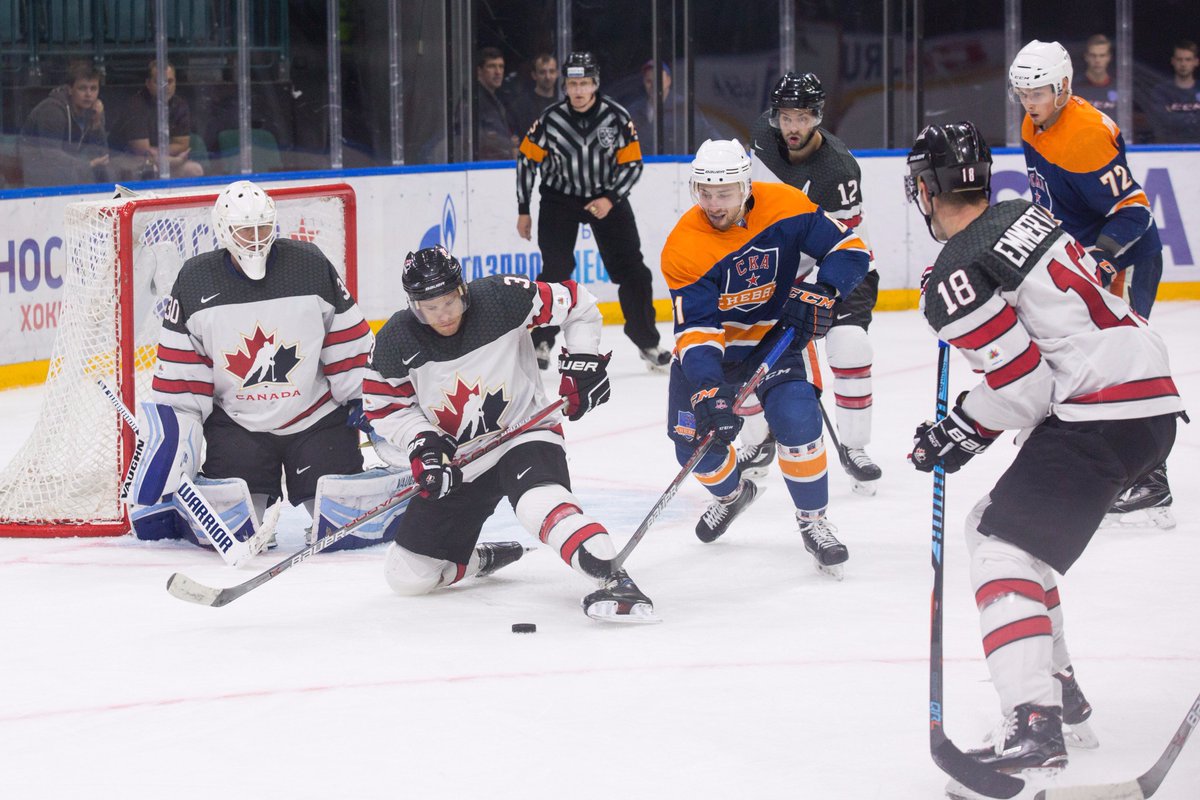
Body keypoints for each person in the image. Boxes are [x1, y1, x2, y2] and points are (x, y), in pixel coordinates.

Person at [904, 120, 1183, 792]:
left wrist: (959, 428)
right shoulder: (1023, 214)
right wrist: (969, 426)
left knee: (999, 549)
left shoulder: (956, 270)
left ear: (926, 189)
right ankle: (1060, 690)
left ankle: (1034, 726)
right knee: (995, 528)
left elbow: (1023, 391)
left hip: (1101, 412)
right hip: (1146, 400)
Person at [361, 246, 657, 623]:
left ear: (462, 289)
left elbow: (577, 302)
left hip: (524, 432)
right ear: (413, 305)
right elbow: (385, 407)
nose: (444, 315)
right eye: (430, 308)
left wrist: (583, 362)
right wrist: (424, 444)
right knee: (407, 577)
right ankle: (481, 558)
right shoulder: (395, 340)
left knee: (539, 505)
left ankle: (614, 578)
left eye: (449, 301)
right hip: (461, 459)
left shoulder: (501, 298)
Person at [128, 180, 376, 554]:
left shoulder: (309, 265)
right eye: (246, 230)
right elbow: (183, 376)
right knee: (238, 532)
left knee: (342, 529)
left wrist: (364, 399)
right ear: (224, 230)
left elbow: (347, 341)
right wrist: (176, 444)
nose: (256, 239)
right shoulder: (195, 279)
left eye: (263, 228)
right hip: (238, 426)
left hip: (316, 419)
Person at [660, 139, 869, 579]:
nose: (713, 205)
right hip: (714, 356)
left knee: (798, 419)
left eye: (724, 193)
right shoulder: (683, 246)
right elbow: (697, 330)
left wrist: (824, 291)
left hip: (778, 338)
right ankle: (732, 494)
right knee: (692, 447)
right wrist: (710, 389)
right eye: (705, 193)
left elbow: (851, 248)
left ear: (745, 186)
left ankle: (813, 522)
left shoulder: (786, 206)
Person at [1009, 39, 1174, 527]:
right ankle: (1094, 461)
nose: (1028, 102)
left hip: (1124, 259)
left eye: (1037, 92)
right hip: (1081, 261)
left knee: (1124, 366)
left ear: (1062, 87)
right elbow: (1051, 203)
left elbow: (1134, 210)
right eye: (1022, 93)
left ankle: (1153, 480)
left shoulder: (1086, 134)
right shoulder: (1033, 123)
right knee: (1078, 363)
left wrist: (1102, 256)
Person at [745, 71, 883, 495]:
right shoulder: (763, 139)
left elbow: (846, 246)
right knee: (744, 343)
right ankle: (757, 443)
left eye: (802, 117)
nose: (793, 127)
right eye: (786, 117)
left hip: (843, 268)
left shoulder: (838, 169)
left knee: (849, 344)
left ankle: (855, 446)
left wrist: (818, 291)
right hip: (781, 269)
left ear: (818, 116)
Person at [516, 51, 671, 371]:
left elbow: (633, 164)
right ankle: (542, 340)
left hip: (607, 196)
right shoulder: (550, 119)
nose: (578, 90)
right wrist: (523, 209)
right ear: (565, 86)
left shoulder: (617, 116)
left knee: (634, 271)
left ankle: (647, 342)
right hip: (559, 199)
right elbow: (526, 161)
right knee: (555, 271)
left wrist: (611, 199)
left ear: (595, 84)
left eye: (584, 83)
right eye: (573, 84)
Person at [18, 60, 110, 187]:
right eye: (82, 88)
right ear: (70, 89)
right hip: (35, 174)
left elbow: (102, 155)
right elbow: (50, 155)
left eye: (93, 88)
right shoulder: (52, 110)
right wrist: (86, 165)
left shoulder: (95, 110)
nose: (88, 94)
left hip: (66, 170)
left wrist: (97, 123)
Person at [109, 60, 204, 179]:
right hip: (126, 158)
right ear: (148, 83)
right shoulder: (135, 106)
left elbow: (182, 145)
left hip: (164, 158)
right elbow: (142, 151)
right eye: (159, 82)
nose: (165, 87)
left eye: (170, 81)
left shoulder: (180, 105)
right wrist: (173, 161)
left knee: (194, 170)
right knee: (150, 170)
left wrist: (161, 155)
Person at [624, 61, 720, 155]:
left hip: (677, 164)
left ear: (668, 81)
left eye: (658, 80)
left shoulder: (683, 107)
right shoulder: (634, 111)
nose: (654, 85)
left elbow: (706, 133)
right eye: (649, 81)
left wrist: (724, 151)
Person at [1147, 39, 1200, 144]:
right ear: (1173, 61)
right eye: (1179, 59)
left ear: (1196, 62)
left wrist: (1174, 115)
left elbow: (1170, 119)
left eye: (1188, 59)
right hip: (1169, 148)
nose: (1183, 64)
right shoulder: (1161, 91)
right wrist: (1195, 118)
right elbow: (1161, 120)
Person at [473, 47, 519, 160]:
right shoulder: (473, 100)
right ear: (479, 71)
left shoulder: (499, 99)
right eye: (491, 66)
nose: (498, 72)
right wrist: (507, 144)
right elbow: (471, 138)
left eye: (501, 66)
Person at [505, 53, 561, 139]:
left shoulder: (562, 105)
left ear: (557, 73)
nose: (548, 77)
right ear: (534, 75)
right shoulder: (520, 106)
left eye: (552, 71)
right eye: (542, 72)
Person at [1072, 35, 1117, 116]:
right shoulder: (1073, 88)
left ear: (1109, 57)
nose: (1097, 60)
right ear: (1086, 57)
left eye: (1102, 55)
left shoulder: (1119, 88)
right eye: (1093, 55)